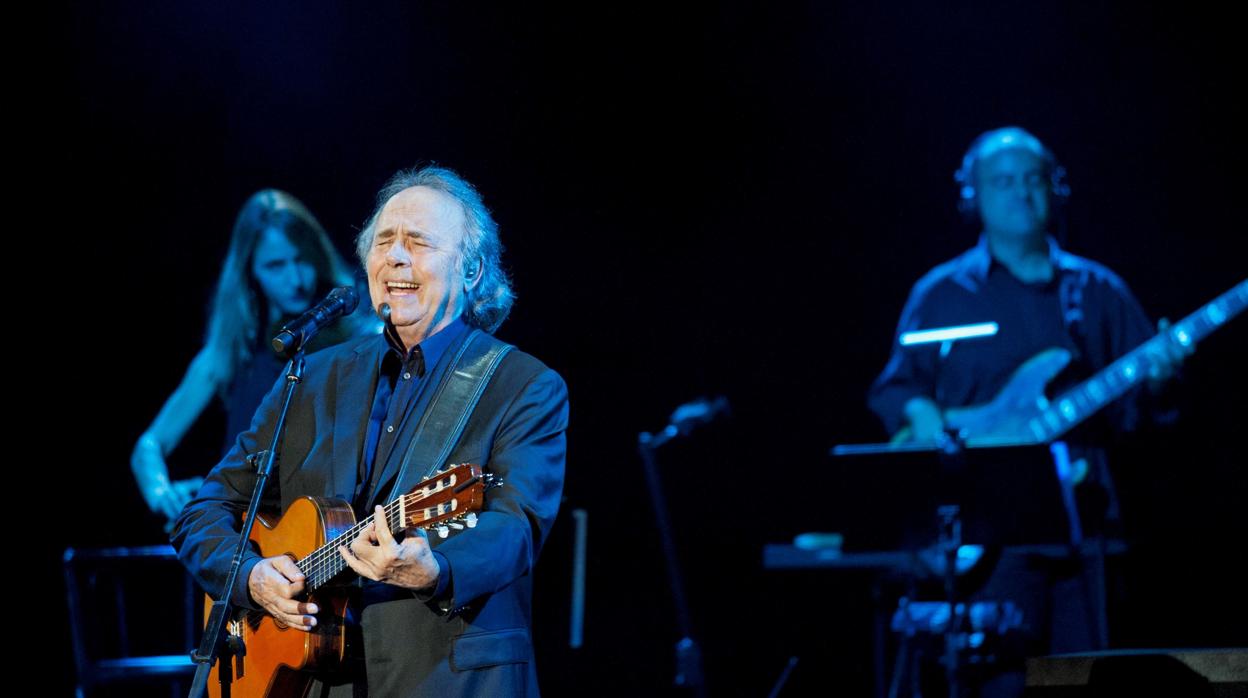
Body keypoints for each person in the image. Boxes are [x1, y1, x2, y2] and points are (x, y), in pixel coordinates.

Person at [172, 165, 568, 695]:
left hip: (449, 678)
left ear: (471, 269)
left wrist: (438, 568)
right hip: (317, 680)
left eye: (418, 242)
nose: (395, 257)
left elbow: (517, 525)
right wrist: (250, 578)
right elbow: (205, 511)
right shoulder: (311, 377)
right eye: (384, 241)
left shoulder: (523, 385)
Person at [867, 127, 1189, 695]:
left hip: (1083, 527)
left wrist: (1162, 382)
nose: (1020, 192)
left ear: (1054, 189)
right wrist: (926, 418)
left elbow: (1150, 414)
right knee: (1002, 685)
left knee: (1082, 681)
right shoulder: (941, 294)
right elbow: (897, 389)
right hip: (989, 534)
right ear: (974, 196)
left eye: (1032, 179)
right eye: (1003, 181)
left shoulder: (1096, 290)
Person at [131, 189, 369, 526]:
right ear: (250, 272)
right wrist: (162, 493)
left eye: (302, 260)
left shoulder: (356, 338)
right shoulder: (231, 353)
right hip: (244, 541)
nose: (296, 279)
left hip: (324, 533)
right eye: (275, 265)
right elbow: (149, 446)